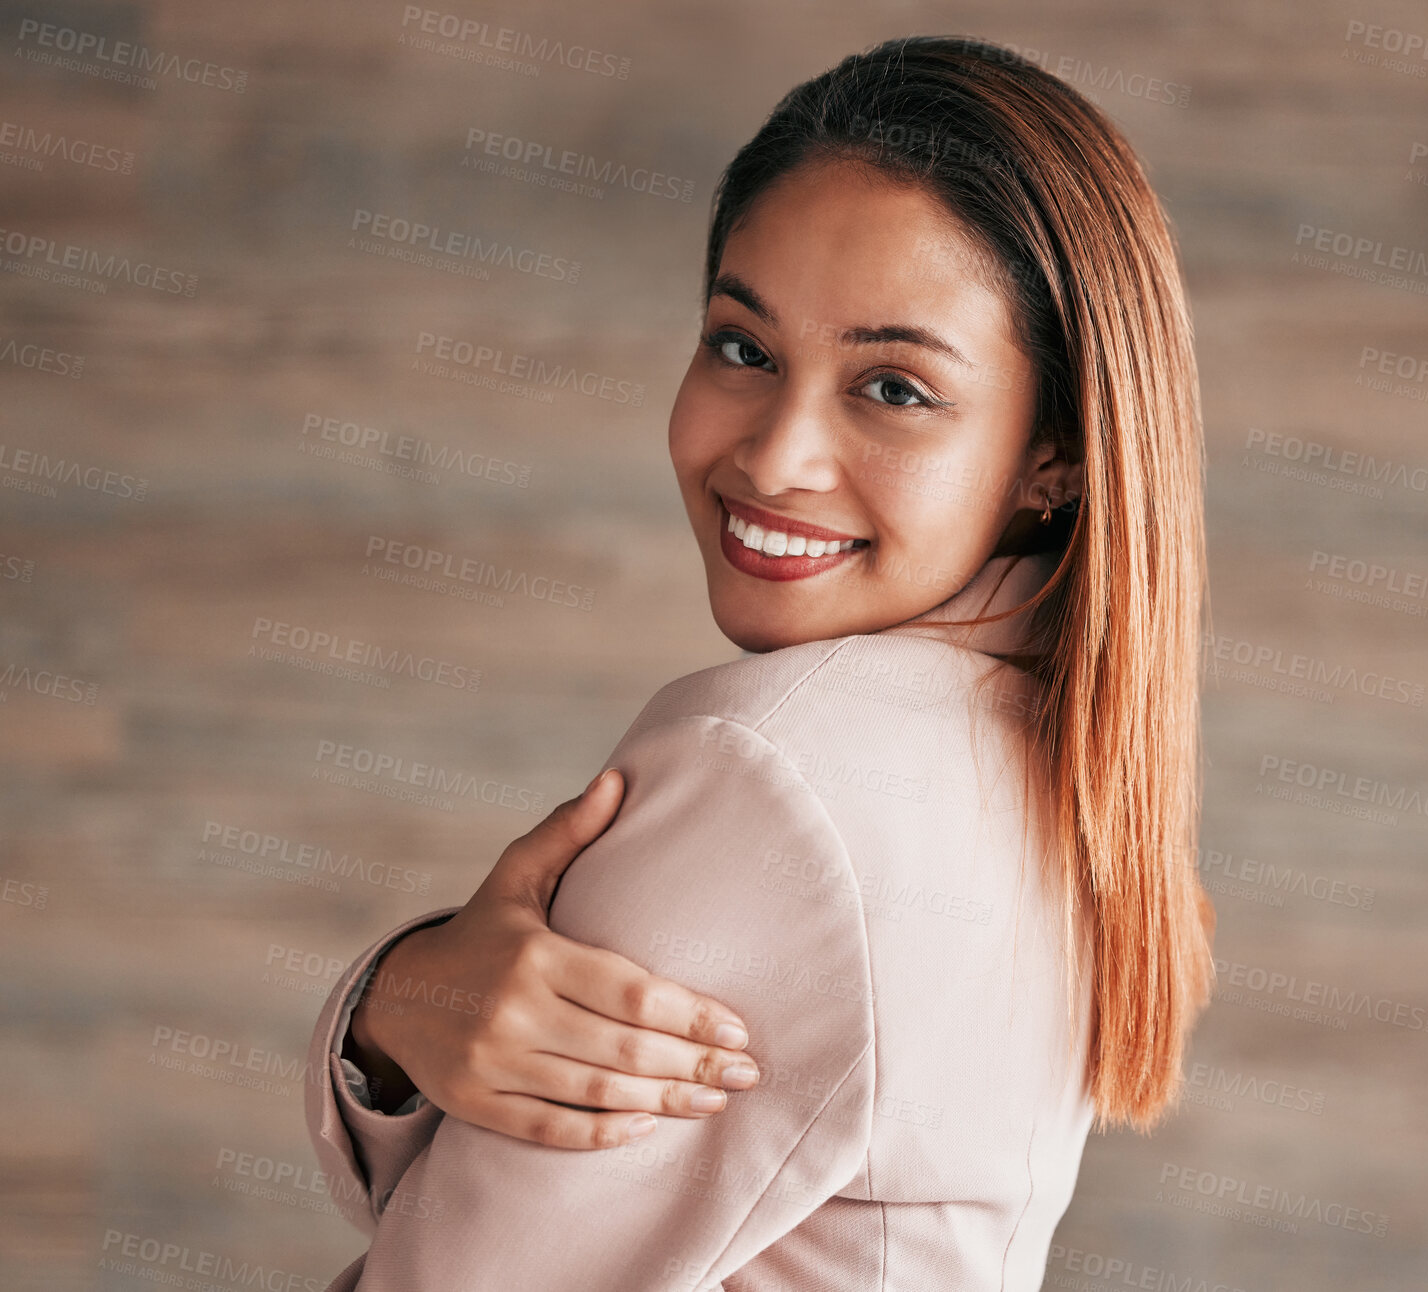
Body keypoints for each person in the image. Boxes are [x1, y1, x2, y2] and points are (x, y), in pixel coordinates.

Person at [306, 33, 1216, 1291]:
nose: (775, 455)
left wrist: (388, 1004)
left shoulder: (772, 770)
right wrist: (400, 1008)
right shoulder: (1048, 753)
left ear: (1052, 454)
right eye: (742, 347)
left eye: (892, 386)